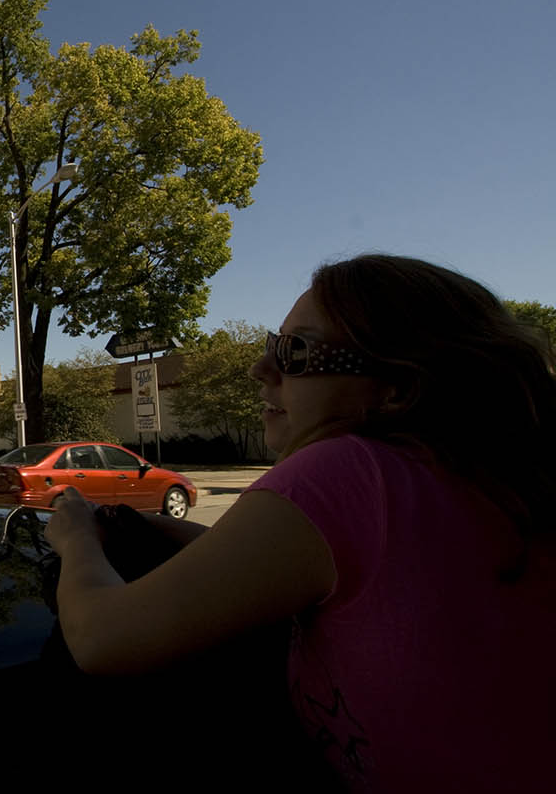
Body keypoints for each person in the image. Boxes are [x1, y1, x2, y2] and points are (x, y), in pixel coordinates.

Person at [45, 254, 556, 790]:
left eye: (297, 352)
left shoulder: (348, 469)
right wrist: (177, 533)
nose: (261, 369)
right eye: (272, 344)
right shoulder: (476, 479)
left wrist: (76, 536)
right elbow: (331, 574)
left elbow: (101, 639)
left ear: (397, 387)